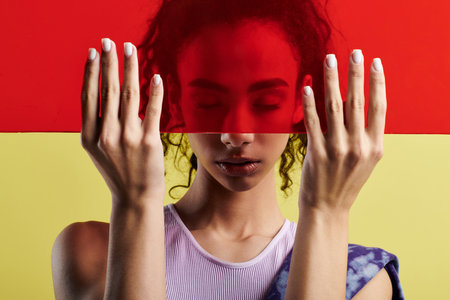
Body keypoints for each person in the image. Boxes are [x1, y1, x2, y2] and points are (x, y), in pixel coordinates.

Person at [51, 0, 405, 299]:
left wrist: (327, 210)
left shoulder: (362, 283)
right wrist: (134, 203)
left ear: (301, 99)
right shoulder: (93, 252)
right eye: (208, 102)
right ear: (174, 98)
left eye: (267, 102)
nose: (236, 134)